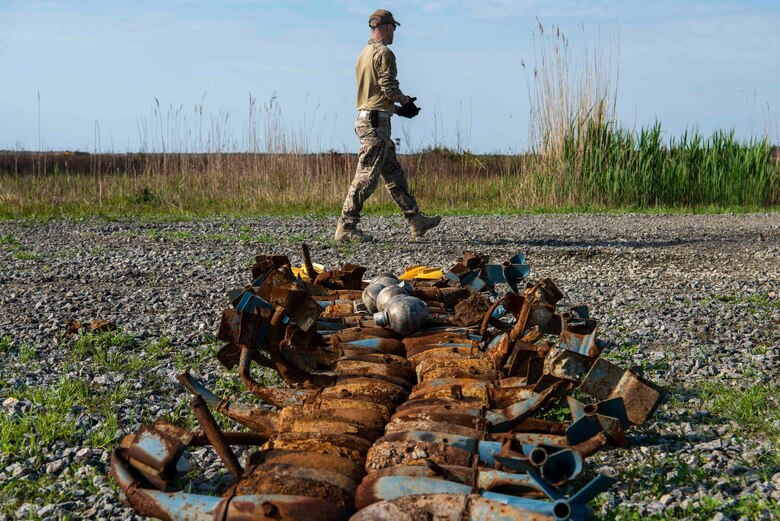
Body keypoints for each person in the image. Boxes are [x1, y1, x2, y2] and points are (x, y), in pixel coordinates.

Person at [334, 9, 441, 242]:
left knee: (393, 173)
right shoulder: (384, 53)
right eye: (394, 28)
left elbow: (374, 93)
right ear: (388, 27)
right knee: (366, 176)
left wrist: (399, 110)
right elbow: (389, 88)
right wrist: (404, 101)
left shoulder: (364, 53)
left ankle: (416, 220)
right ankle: (346, 226)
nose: (394, 33)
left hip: (370, 118)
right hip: (375, 123)